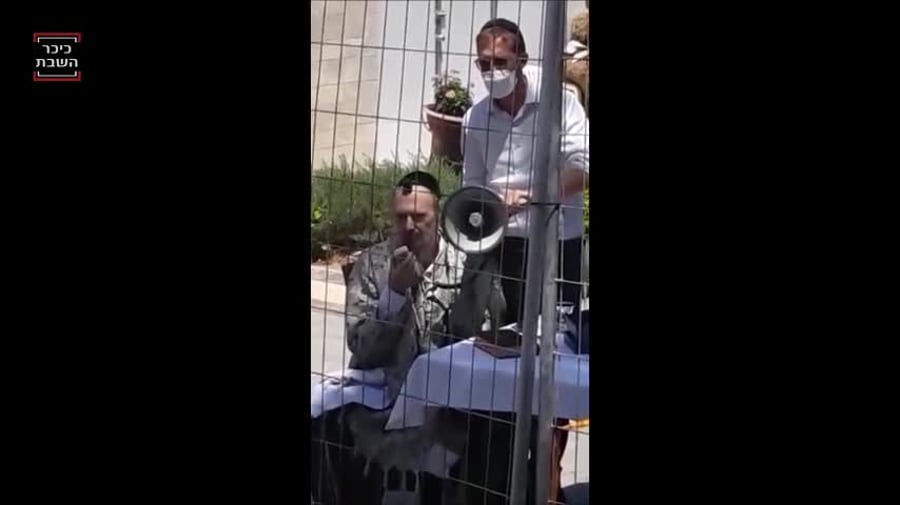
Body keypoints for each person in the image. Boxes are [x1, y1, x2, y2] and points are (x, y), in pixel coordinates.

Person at [457, 18, 591, 504]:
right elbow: (470, 187)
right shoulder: (475, 119)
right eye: (483, 64)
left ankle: (546, 482)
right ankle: (498, 478)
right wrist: (486, 207)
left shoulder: (561, 102)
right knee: (496, 365)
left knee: (556, 365)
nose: (491, 71)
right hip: (502, 251)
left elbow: (582, 169)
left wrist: (532, 195)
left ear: (522, 60)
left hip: (556, 248)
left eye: (500, 62)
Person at [310, 171, 472, 505]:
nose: (410, 226)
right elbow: (361, 348)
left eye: (420, 216)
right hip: (382, 390)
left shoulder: (463, 266)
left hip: (446, 395)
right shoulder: (373, 264)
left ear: (438, 216)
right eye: (401, 217)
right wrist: (394, 293)